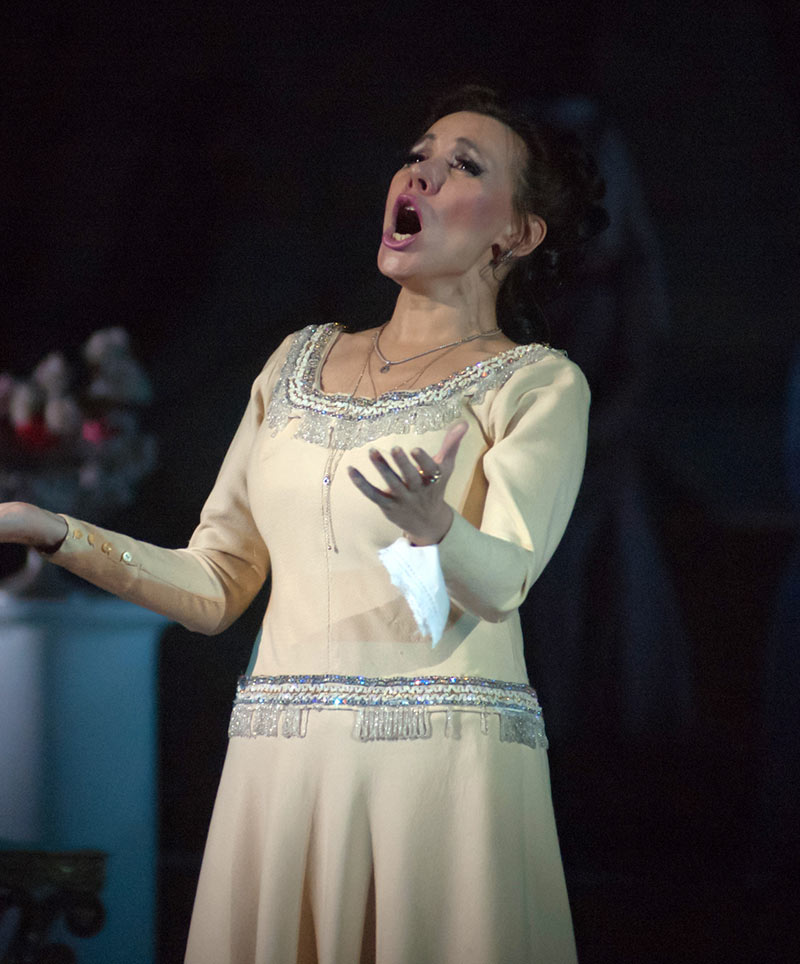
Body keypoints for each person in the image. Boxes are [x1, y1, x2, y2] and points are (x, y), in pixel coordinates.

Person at [0, 86, 607, 964]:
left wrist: (438, 526)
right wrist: (48, 529)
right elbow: (214, 584)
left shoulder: (534, 384)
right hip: (282, 769)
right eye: (418, 155)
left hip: (436, 773)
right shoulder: (296, 360)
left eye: (463, 166)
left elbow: (505, 579)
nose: (421, 174)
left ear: (515, 234)